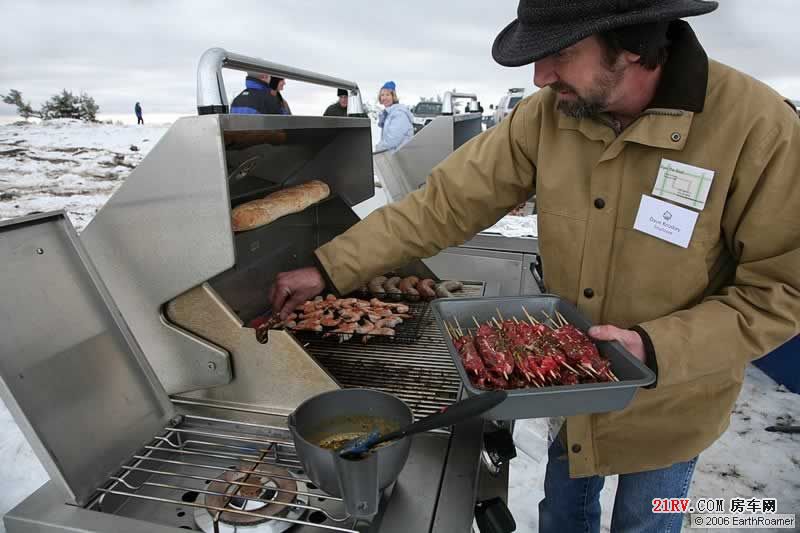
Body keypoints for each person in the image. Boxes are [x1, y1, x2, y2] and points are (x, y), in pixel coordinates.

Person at [268, 1, 800, 531]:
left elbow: (781, 290)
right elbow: (446, 204)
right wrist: (331, 266)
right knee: (562, 515)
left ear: (632, 44)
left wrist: (655, 349)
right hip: (562, 384)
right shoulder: (549, 114)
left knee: (648, 522)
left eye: (560, 53)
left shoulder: (757, 128)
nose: (541, 76)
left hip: (674, 400)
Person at [374, 81, 414, 151]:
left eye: (388, 95)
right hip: (394, 154)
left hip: (400, 155)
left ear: (393, 97)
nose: (384, 98)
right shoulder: (388, 113)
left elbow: (392, 139)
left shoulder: (399, 114)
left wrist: (378, 148)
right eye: (382, 95)